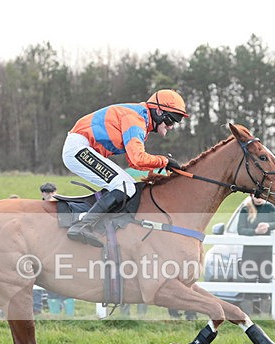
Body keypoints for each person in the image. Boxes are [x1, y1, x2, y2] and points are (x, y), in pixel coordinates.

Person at [62, 89, 188, 247]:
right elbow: (138, 158)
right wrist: (164, 161)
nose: (171, 127)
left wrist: (162, 165)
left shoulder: (141, 120)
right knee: (125, 186)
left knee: (129, 186)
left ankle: (96, 224)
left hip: (82, 147)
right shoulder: (136, 119)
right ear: (158, 112)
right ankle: (82, 225)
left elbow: (134, 163)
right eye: (171, 121)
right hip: (78, 148)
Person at [237, 194, 275, 313]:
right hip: (249, 252)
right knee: (249, 281)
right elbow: (241, 229)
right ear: (251, 195)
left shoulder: (270, 208)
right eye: (256, 196)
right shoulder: (245, 209)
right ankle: (248, 315)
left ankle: (264, 315)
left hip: (266, 252)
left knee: (265, 280)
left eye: (261, 196)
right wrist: (255, 231)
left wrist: (269, 225)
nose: (258, 198)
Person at [39, 182, 75, 317]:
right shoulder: (38, 208)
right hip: (46, 250)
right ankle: (55, 316)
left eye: (52, 192)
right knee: (50, 283)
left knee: (66, 283)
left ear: (56, 192)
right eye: (46, 192)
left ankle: (69, 315)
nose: (49, 195)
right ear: (42, 193)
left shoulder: (64, 206)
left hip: (63, 248)